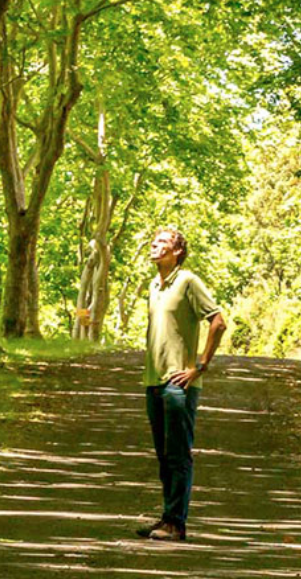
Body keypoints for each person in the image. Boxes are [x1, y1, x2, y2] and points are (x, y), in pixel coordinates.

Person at [134, 227, 227, 542]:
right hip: (153, 381)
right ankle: (167, 517)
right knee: (163, 454)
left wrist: (199, 367)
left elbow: (218, 320)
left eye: (162, 243)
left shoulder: (187, 281)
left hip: (179, 384)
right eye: (154, 241)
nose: (155, 245)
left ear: (176, 252)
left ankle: (176, 523)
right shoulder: (153, 285)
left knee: (178, 454)